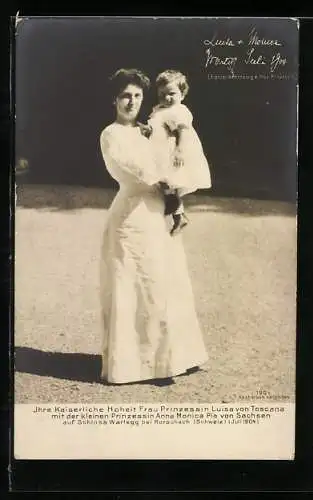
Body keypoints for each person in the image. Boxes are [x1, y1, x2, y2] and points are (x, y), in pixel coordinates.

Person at [99, 68, 208, 384]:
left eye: (137, 96)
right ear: (114, 99)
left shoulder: (147, 130)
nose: (131, 102)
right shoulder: (111, 134)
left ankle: (172, 359)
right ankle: (133, 365)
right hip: (131, 218)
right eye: (125, 96)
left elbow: (173, 154)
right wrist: (164, 183)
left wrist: (176, 194)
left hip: (157, 214)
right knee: (136, 286)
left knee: (165, 284)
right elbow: (131, 169)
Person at [147, 69, 211, 235]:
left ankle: (176, 213)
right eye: (162, 94)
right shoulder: (159, 110)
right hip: (159, 152)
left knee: (168, 181)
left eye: (172, 94)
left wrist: (180, 150)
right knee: (163, 183)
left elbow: (183, 131)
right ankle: (177, 213)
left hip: (171, 152)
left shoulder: (179, 111)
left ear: (182, 94)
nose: (167, 98)